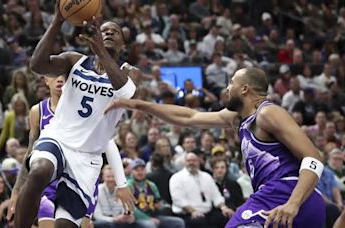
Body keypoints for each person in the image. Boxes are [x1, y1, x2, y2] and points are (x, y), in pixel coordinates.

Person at [106, 67, 325, 227]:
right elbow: (189, 117)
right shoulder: (238, 117)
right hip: (290, 200)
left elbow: (314, 158)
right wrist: (136, 104)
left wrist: (294, 203)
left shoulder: (267, 113)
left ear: (245, 89)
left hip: (287, 193)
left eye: (232, 83)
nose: (227, 88)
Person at [13, 3, 141, 226]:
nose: (109, 32)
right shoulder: (75, 61)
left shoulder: (130, 72)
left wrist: (100, 49)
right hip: (58, 139)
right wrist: (58, 21)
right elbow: (37, 65)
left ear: (123, 43)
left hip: (87, 157)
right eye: (104, 30)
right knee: (39, 171)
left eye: (115, 31)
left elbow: (126, 93)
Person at [10, 74, 134, 228]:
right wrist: (17, 190)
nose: (60, 79)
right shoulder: (38, 111)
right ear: (45, 80)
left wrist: (121, 183)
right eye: (54, 75)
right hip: (50, 183)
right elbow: (31, 151)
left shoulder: (87, 108)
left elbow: (108, 142)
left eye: (64, 75)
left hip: (80, 177)